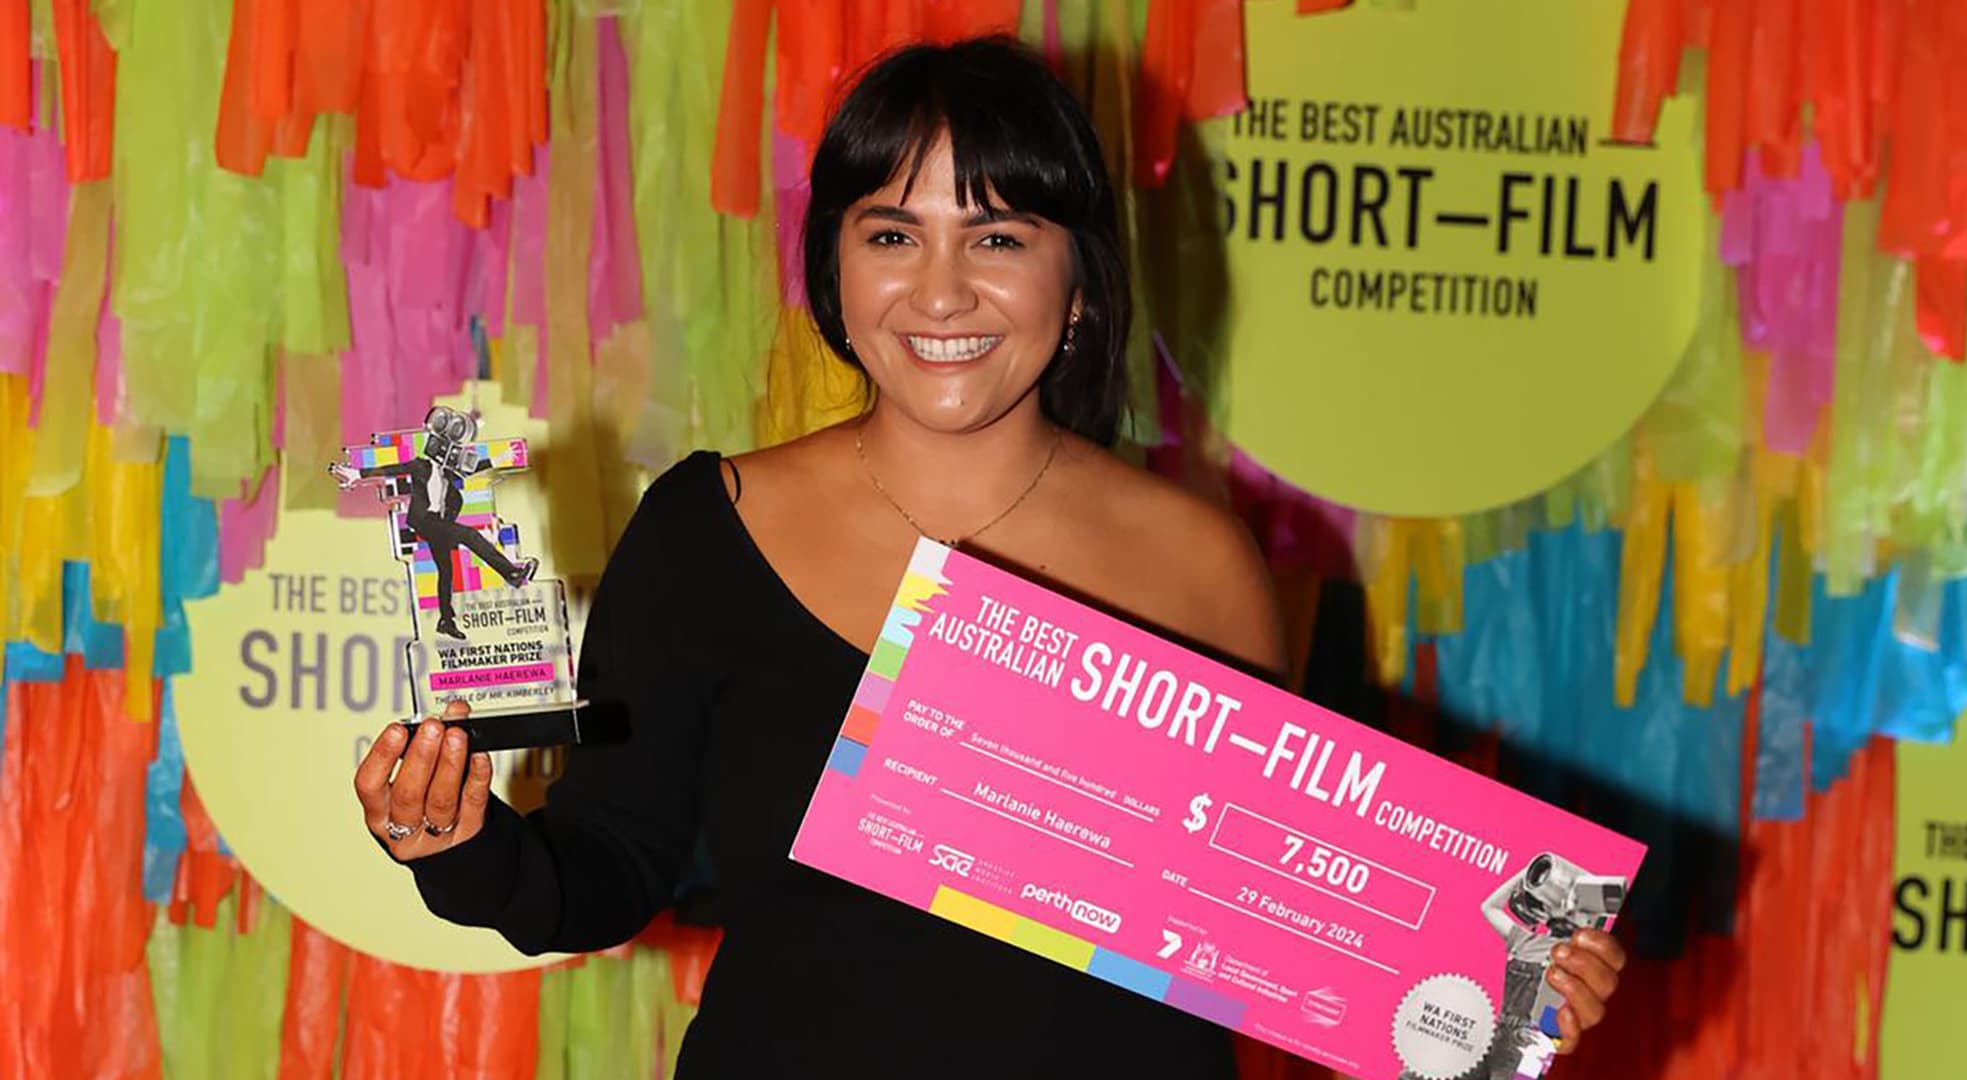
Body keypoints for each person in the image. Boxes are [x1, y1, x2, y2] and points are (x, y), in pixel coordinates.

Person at [353, 38, 1625, 1078]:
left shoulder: (1201, 563)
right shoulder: (711, 530)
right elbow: (606, 867)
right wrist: (462, 849)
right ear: (834, 270)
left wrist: (1513, 987)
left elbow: (1303, 926)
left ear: (1078, 286)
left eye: (1002, 237)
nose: (943, 291)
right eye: (893, 234)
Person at [331, 406, 539, 640]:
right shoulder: (420, 465)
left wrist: (499, 458)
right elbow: (392, 469)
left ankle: (446, 621)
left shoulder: (447, 472)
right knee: (469, 535)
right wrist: (357, 475)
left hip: (437, 524)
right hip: (425, 521)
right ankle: (512, 574)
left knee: (445, 571)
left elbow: (470, 469)